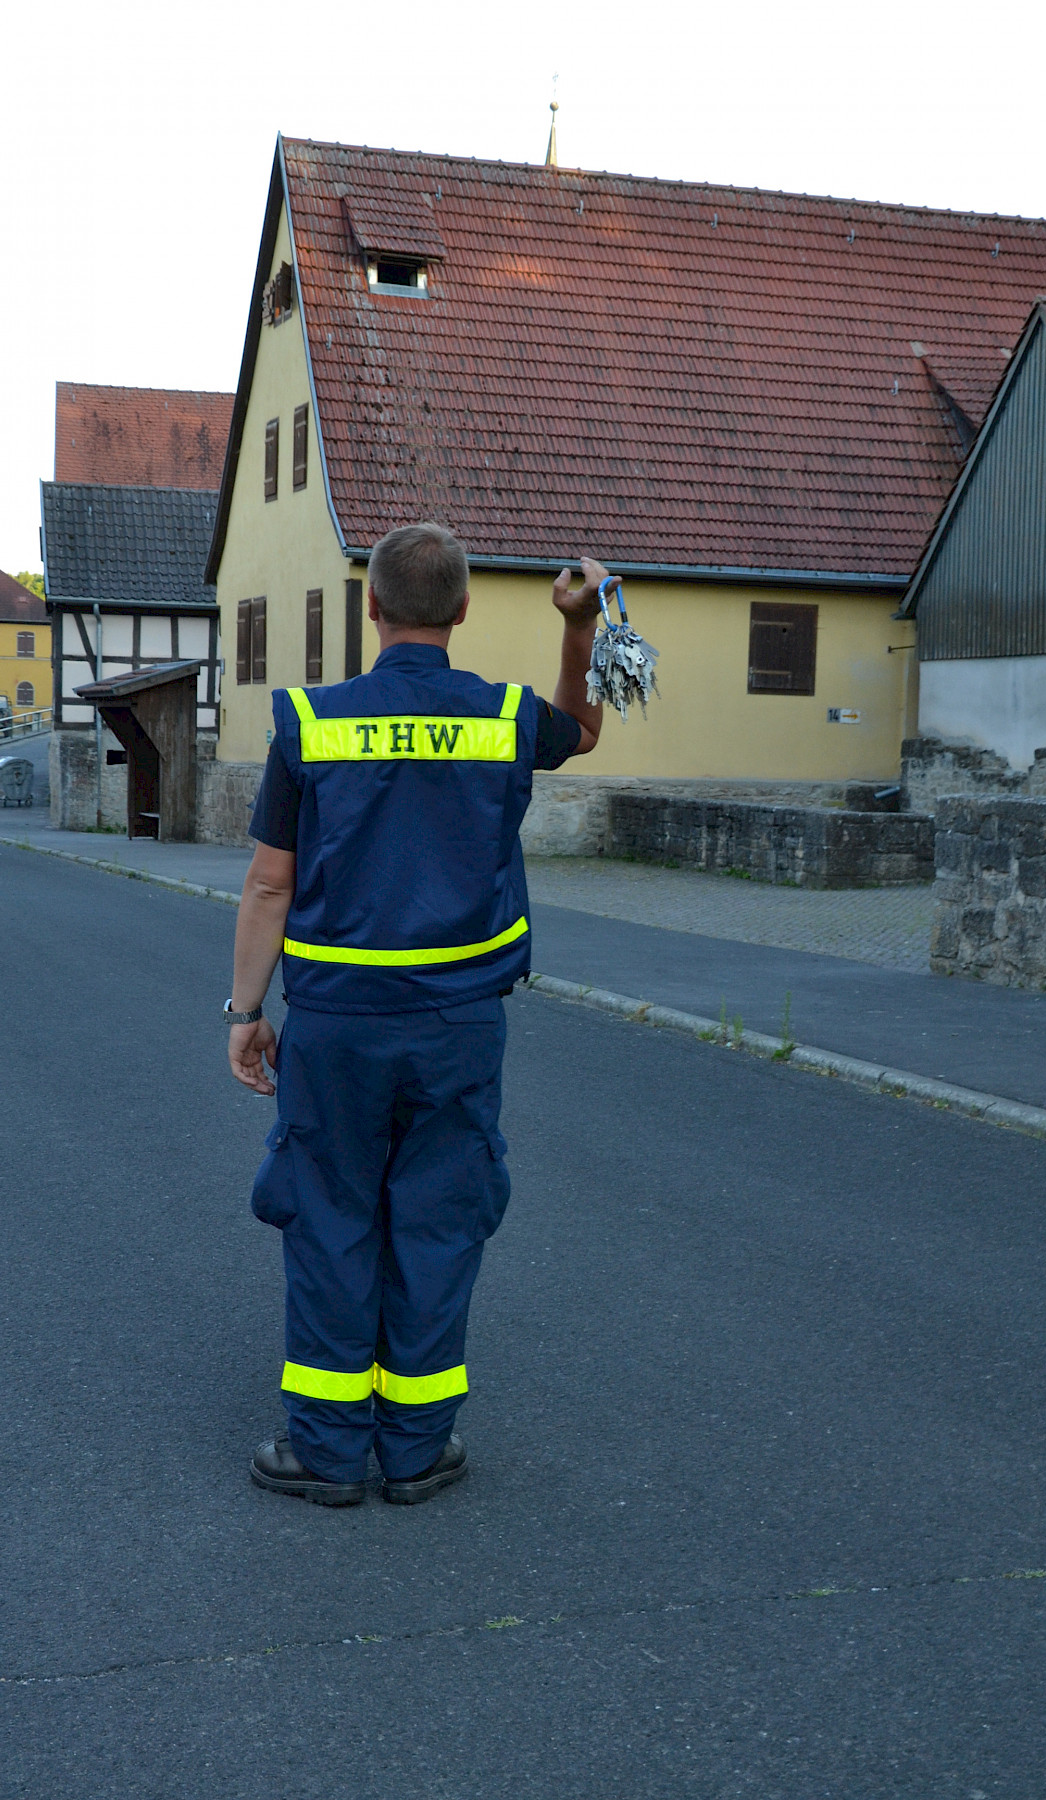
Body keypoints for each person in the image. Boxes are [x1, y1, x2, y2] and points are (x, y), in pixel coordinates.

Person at [226, 523, 613, 1505]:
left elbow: (270, 885)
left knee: (329, 1217)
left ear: (371, 605)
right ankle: (414, 1451)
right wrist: (580, 625)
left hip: (334, 1022)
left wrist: (245, 1011)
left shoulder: (312, 722)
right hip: (458, 1024)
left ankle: (323, 1453)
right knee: (439, 1222)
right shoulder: (503, 719)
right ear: (466, 609)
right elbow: (585, 728)